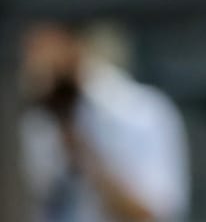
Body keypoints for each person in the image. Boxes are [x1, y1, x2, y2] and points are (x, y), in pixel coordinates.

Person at [20, 22, 189, 222]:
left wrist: (84, 155)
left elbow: (152, 215)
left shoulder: (140, 112)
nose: (34, 62)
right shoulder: (38, 123)